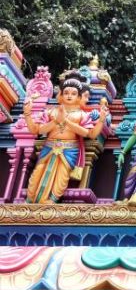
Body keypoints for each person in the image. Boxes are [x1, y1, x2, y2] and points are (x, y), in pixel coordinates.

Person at [22, 74, 106, 204]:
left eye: (73, 93)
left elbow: (91, 134)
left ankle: (51, 200)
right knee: (38, 172)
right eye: (66, 92)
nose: (69, 96)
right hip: (49, 147)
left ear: (79, 97)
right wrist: (27, 113)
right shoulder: (50, 112)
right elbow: (36, 130)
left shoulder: (82, 114)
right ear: (60, 95)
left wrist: (101, 120)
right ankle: (30, 200)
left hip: (69, 150)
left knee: (62, 175)